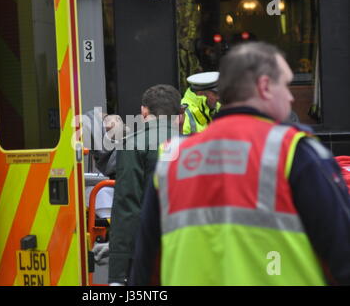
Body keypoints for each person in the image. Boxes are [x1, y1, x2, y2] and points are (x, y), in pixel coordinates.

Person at [129, 42, 350, 285]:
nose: (290, 97)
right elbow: (341, 256)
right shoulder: (296, 152)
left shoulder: (172, 158)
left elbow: (145, 268)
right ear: (265, 86)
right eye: (285, 86)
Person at [99, 84, 182, 285]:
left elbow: (127, 207)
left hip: (149, 252)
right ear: (179, 113)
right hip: (186, 248)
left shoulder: (134, 144)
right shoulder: (194, 144)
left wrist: (118, 274)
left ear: (144, 111)